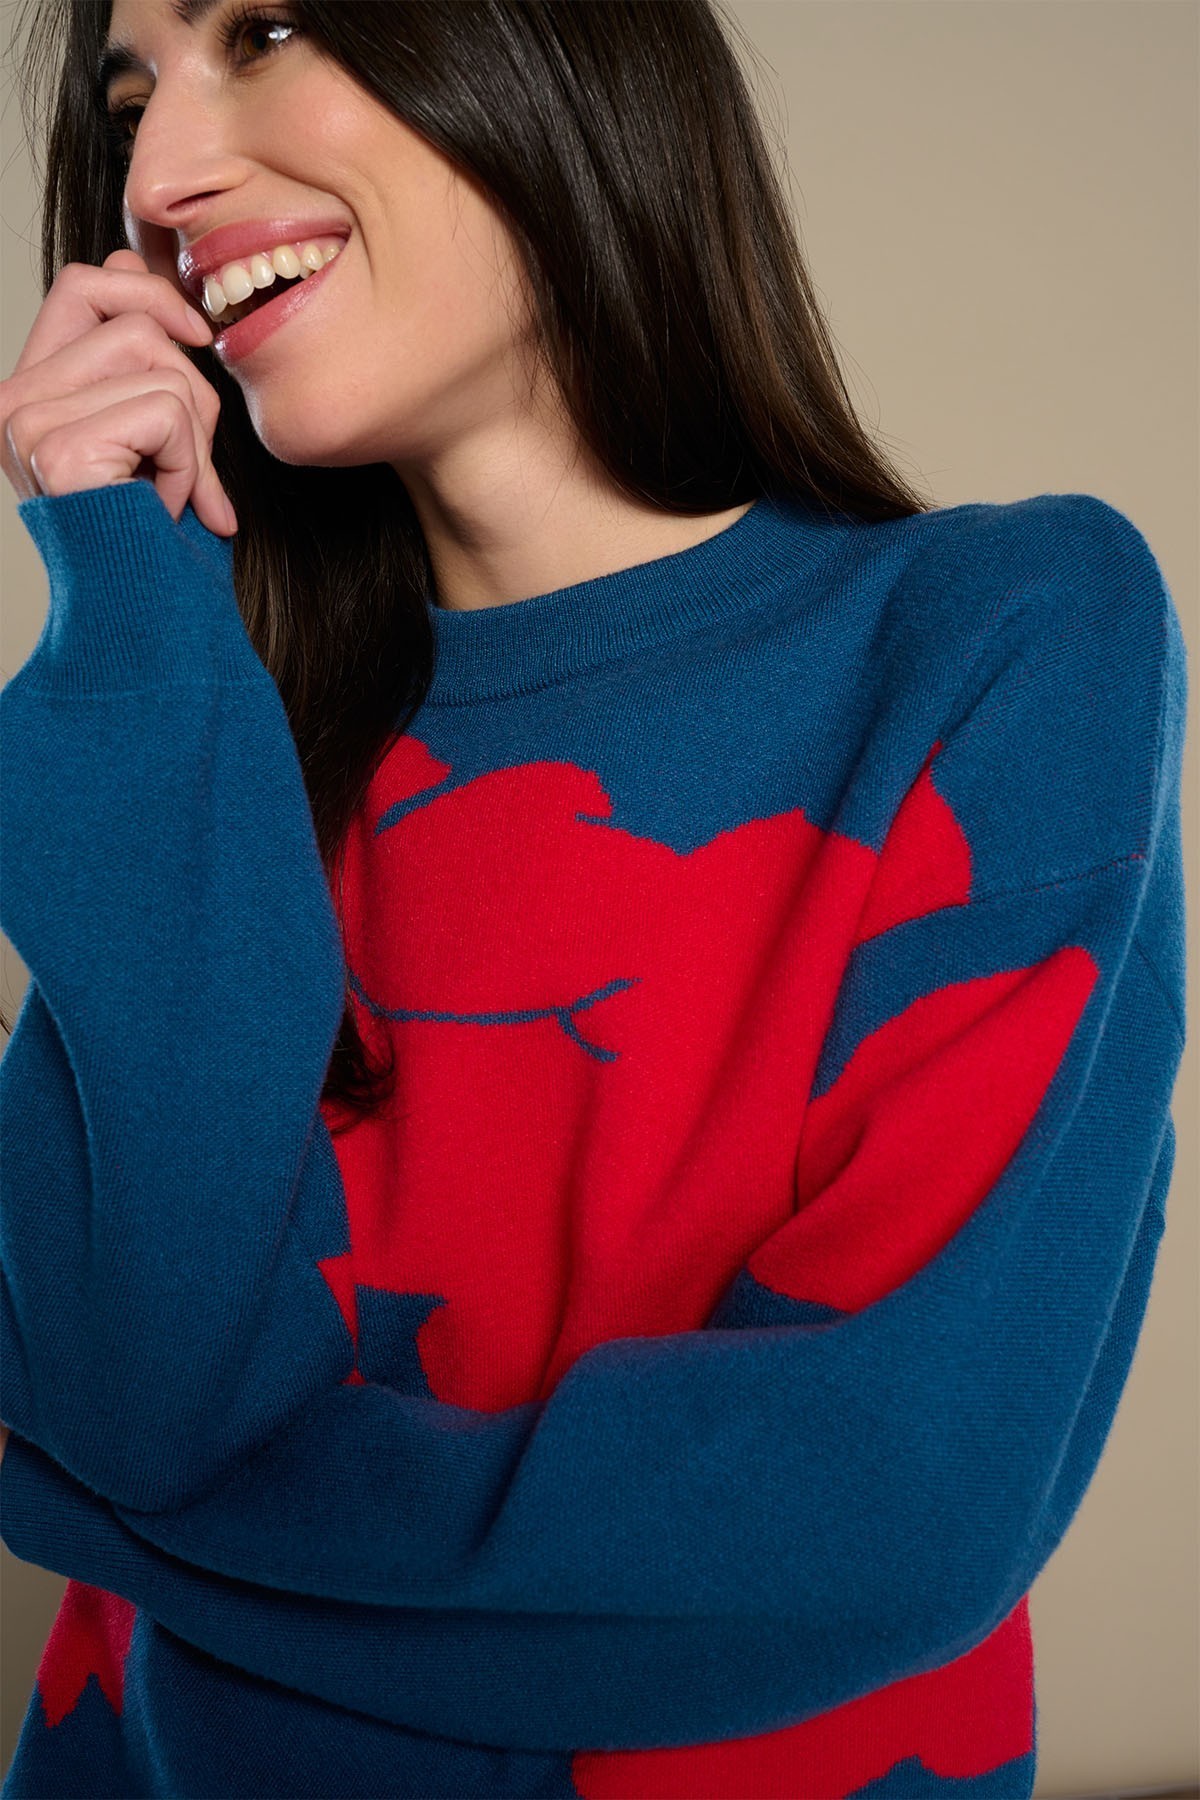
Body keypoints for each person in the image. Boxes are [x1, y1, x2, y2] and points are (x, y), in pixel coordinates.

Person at [0, 2, 1187, 1796]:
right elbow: (129, 1396)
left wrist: (136, 1514)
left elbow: (871, 1515)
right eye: (129, 100)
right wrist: (128, 596)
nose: (156, 177)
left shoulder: (1003, 642)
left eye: (265, 28)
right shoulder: (201, 747)